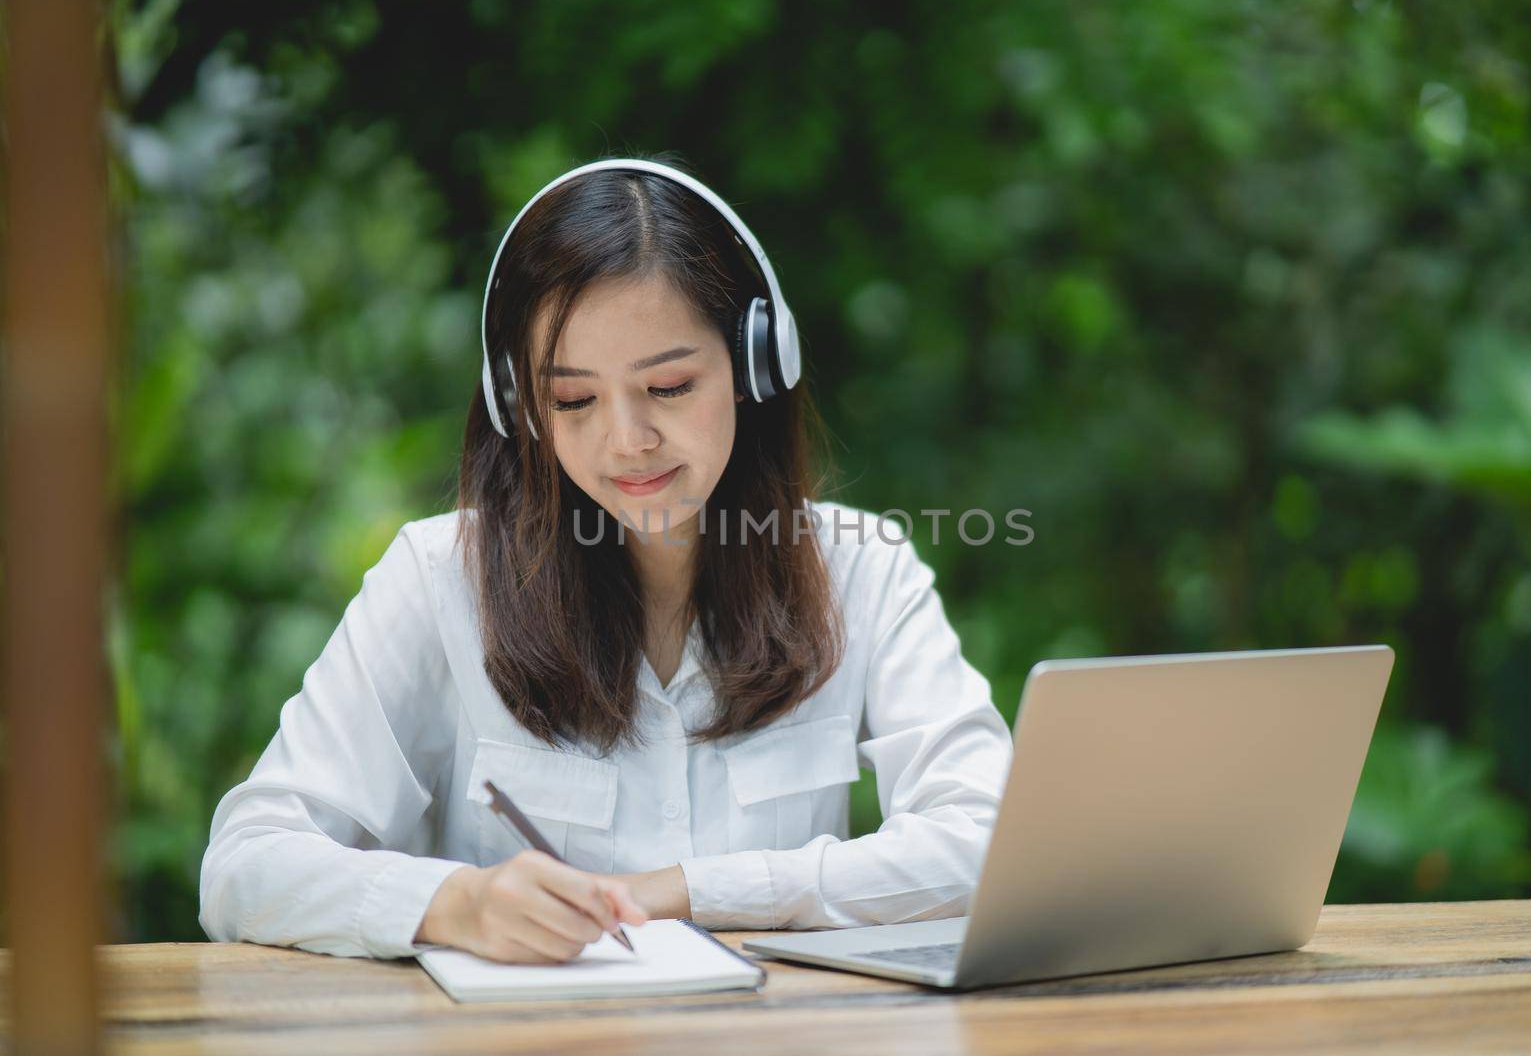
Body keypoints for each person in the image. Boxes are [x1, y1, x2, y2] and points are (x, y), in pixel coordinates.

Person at [199, 154, 1014, 964]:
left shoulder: (860, 572)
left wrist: (690, 890)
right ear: (520, 407)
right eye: (574, 400)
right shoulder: (439, 578)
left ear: (753, 366)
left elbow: (992, 841)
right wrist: (455, 903)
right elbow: (244, 863)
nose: (627, 441)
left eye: (668, 387)